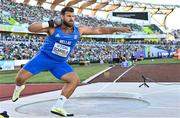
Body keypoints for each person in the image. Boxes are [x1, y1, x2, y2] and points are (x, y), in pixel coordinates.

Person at [12, 7, 131, 117]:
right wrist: (49, 23)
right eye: (69, 16)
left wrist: (118, 29)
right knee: (19, 79)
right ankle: (19, 87)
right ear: (62, 17)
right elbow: (31, 28)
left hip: (59, 63)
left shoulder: (79, 30)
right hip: (44, 58)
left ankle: (58, 107)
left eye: (73, 16)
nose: (72, 18)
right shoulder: (53, 28)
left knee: (74, 80)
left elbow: (99, 30)